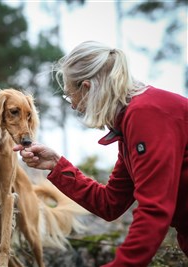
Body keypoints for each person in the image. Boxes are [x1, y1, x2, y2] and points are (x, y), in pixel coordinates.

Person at [13, 40, 188, 266]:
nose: (74, 106)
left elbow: (154, 210)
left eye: (69, 96)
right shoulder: (130, 123)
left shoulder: (147, 114)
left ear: (86, 87)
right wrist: (56, 164)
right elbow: (110, 203)